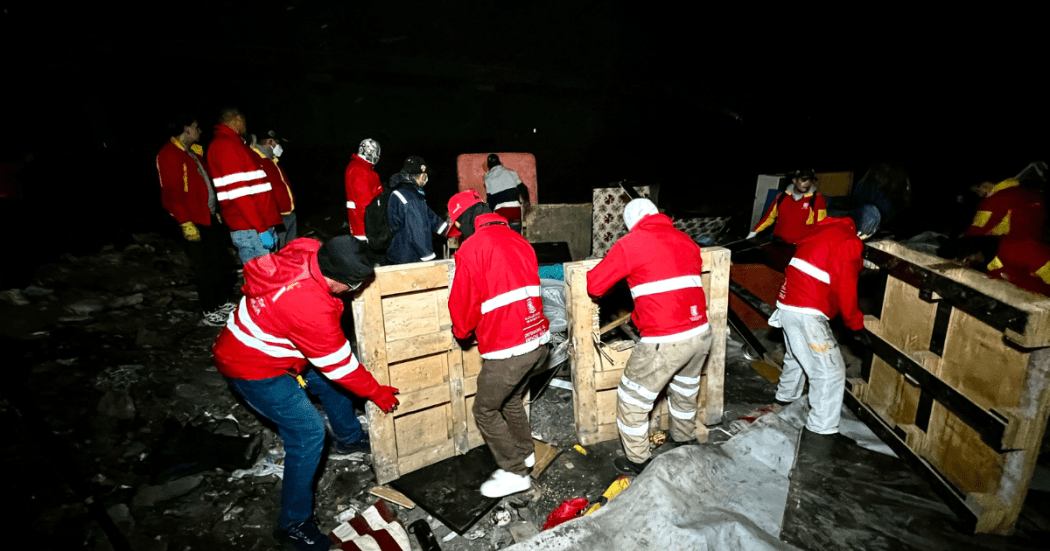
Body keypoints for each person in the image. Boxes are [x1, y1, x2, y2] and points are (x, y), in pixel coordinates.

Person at [212, 236, 399, 551]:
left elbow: (332, 368)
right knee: (309, 432)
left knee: (328, 383)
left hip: (275, 341)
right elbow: (341, 366)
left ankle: (348, 437)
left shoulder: (309, 249)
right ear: (337, 281)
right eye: (355, 286)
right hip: (252, 366)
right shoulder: (310, 307)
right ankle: (293, 524)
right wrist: (376, 392)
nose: (356, 292)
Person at [586, 198, 713, 475]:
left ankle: (639, 462)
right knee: (685, 391)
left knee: (632, 401)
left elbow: (595, 285)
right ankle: (685, 440)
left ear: (631, 224)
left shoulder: (632, 243)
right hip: (701, 334)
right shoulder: (686, 240)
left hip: (665, 340)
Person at [446, 190, 550, 497]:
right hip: (538, 342)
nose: (458, 234)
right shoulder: (519, 240)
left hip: (509, 348)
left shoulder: (471, 248)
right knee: (512, 399)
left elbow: (463, 307)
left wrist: (461, 331)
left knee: (485, 410)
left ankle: (516, 472)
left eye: (457, 227)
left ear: (464, 219)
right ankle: (526, 452)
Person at [769, 216, 864, 438]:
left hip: (788, 302)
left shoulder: (823, 231)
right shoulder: (849, 240)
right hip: (808, 308)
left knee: (796, 355)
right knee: (830, 372)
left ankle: (784, 399)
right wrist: (855, 323)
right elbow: (846, 285)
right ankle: (822, 430)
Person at [157, 114, 236, 326]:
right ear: (187, 129)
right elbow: (172, 192)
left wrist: (214, 210)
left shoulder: (191, 153)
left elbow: (205, 182)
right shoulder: (169, 154)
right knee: (203, 267)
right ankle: (210, 311)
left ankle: (221, 303)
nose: (200, 130)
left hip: (207, 216)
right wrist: (185, 222)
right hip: (193, 221)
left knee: (218, 262)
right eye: (196, 126)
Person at [206, 108, 283, 262]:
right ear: (237, 120)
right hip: (251, 227)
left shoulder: (235, 145)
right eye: (244, 122)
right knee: (263, 280)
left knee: (269, 279)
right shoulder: (226, 147)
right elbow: (240, 194)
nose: (246, 126)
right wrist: (260, 228)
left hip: (256, 224)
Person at [386, 156, 448, 265]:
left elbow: (430, 217)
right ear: (422, 176)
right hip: (408, 256)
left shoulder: (410, 193)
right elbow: (418, 229)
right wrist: (428, 258)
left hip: (403, 253)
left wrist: (449, 231)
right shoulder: (410, 197)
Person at [750, 169, 828, 243]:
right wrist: (754, 231)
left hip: (801, 244)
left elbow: (821, 224)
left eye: (810, 180)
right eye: (803, 180)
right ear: (794, 180)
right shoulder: (781, 197)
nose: (807, 183)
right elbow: (769, 217)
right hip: (778, 242)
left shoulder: (817, 199)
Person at [251, 129, 297, 248]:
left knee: (291, 251)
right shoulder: (255, 160)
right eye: (278, 143)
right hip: (276, 219)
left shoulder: (272, 161)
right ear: (271, 142)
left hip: (288, 213)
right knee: (279, 253)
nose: (280, 147)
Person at [963, 178, 1045, 241]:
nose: (979, 194)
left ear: (986, 183)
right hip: (1038, 236)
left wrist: (962, 237)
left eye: (978, 188)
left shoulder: (991, 202)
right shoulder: (1023, 189)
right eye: (976, 192)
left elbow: (977, 230)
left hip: (1015, 243)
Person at [344, 138, 382, 243]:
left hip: (362, 226)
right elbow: (364, 203)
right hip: (364, 229)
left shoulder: (362, 167)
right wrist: (374, 226)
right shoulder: (360, 170)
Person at [483, 154, 530, 231]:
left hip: (500, 210)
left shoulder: (487, 177)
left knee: (503, 236)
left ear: (488, 165)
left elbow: (490, 198)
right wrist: (527, 202)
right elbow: (523, 188)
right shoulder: (512, 173)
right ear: (499, 162)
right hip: (515, 209)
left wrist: (490, 214)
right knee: (516, 235)